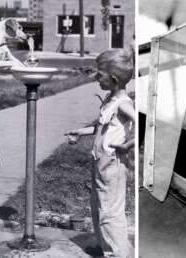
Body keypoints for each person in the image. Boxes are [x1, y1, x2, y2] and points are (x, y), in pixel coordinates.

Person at [65, 49, 134, 257]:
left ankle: (119, 253)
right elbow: (101, 128)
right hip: (100, 163)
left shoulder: (123, 104)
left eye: (99, 75)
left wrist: (129, 145)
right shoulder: (109, 99)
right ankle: (105, 247)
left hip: (112, 165)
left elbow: (146, 123)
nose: (96, 78)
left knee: (110, 213)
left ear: (113, 79)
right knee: (98, 206)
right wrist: (81, 131)